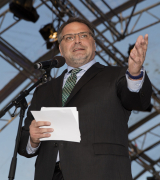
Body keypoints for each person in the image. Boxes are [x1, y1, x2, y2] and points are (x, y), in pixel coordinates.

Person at [18, 17, 152, 180]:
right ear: (61, 48)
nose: (77, 41)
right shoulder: (43, 91)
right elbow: (23, 144)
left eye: (83, 35)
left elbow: (137, 101)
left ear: (94, 44)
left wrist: (135, 74)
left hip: (101, 172)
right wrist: (32, 139)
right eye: (69, 38)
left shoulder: (116, 75)